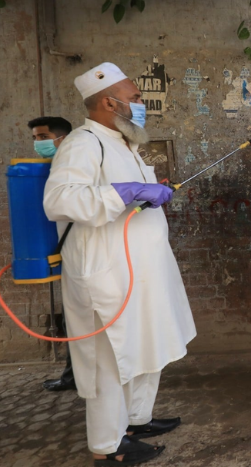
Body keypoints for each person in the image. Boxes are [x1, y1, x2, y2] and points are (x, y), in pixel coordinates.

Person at [43, 62, 196, 466]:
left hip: (142, 273)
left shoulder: (124, 142)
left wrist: (150, 190)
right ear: (110, 102)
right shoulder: (83, 143)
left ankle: (135, 421)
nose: (141, 104)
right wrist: (123, 192)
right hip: (106, 275)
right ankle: (108, 448)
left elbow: (132, 198)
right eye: (136, 98)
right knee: (109, 363)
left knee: (147, 346)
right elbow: (58, 201)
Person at [28, 116, 78, 392]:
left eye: (43, 138)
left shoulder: (74, 165)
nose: (38, 144)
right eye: (35, 138)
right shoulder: (52, 167)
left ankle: (75, 376)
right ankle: (73, 375)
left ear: (62, 137)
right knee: (72, 316)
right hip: (64, 250)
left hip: (80, 250)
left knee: (77, 317)